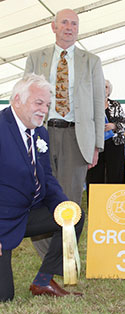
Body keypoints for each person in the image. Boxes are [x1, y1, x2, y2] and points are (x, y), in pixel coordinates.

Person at [24, 8, 105, 257]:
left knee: (69, 201)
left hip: (76, 137)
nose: (70, 28)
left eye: (74, 24)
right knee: (36, 196)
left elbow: (97, 102)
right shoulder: (36, 58)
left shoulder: (91, 61)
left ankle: (65, 258)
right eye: (65, 23)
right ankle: (48, 257)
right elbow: (25, 98)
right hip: (41, 134)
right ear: (54, 26)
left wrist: (96, 145)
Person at [0, 74, 85, 302]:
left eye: (47, 105)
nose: (44, 110)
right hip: (2, 220)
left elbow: (46, 177)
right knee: (4, 297)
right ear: (17, 100)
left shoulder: (41, 133)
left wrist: (63, 206)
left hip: (28, 211)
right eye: (38, 103)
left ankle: (43, 280)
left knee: (74, 216)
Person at [86, 80, 125, 200]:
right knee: (94, 175)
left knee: (115, 175)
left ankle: (116, 202)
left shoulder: (115, 105)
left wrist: (114, 126)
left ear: (109, 90)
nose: (103, 89)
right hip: (95, 144)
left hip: (114, 144)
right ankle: (95, 204)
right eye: (100, 86)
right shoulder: (90, 104)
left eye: (105, 87)